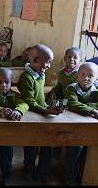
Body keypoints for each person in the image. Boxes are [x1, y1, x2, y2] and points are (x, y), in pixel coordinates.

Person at [64, 62, 98, 185]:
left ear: (96, 79)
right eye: (82, 74)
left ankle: (83, 177)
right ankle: (70, 179)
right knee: (74, 151)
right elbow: (72, 104)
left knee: (89, 153)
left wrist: (86, 106)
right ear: (77, 75)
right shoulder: (71, 88)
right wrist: (94, 111)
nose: (86, 78)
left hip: (92, 129)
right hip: (74, 127)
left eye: (90, 75)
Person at [17, 44, 62, 183]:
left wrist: (48, 105)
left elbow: (39, 97)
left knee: (47, 145)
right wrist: (47, 110)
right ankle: (28, 171)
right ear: (35, 60)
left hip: (42, 114)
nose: (49, 66)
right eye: (47, 62)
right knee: (31, 146)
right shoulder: (26, 78)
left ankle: (42, 172)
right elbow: (30, 102)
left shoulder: (40, 74)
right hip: (31, 116)